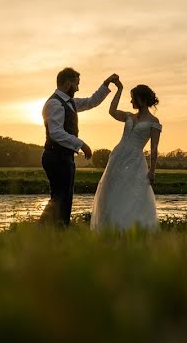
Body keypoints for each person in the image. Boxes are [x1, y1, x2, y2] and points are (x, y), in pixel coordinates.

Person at [40, 67, 118, 226]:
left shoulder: (70, 103)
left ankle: (59, 233)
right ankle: (40, 231)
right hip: (55, 156)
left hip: (65, 157)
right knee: (60, 198)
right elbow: (56, 133)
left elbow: (91, 102)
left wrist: (106, 83)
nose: (78, 88)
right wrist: (81, 144)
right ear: (68, 83)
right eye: (76, 84)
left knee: (65, 198)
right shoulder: (55, 103)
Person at [90, 78, 162, 231]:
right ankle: (110, 228)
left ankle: (129, 228)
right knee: (111, 191)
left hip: (135, 160)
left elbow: (154, 149)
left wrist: (152, 171)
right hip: (117, 156)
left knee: (131, 194)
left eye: (133, 98)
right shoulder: (129, 116)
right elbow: (112, 111)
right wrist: (119, 90)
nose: (131, 102)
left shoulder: (154, 122)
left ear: (141, 99)